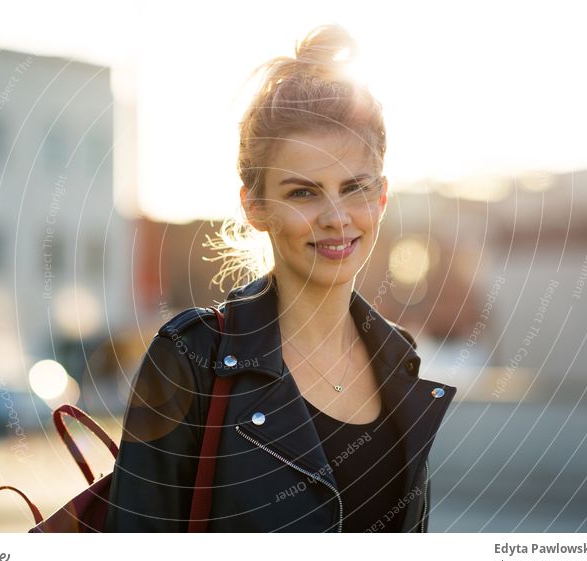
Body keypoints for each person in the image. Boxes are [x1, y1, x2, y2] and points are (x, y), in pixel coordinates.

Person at [105, 24, 457, 533]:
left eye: (354, 188)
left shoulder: (398, 358)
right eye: (303, 193)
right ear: (255, 206)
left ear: (381, 198)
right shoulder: (190, 358)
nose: (336, 217)